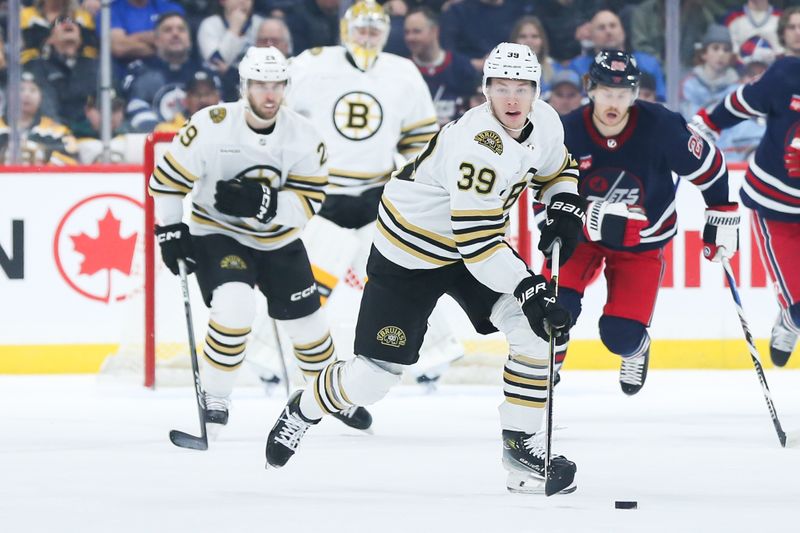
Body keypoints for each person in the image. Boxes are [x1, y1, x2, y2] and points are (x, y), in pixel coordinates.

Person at [266, 42, 585, 496]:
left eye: (521, 88)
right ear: (485, 90)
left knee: (534, 331)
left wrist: (565, 203)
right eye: (500, 87)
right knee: (372, 378)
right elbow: (478, 246)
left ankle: (521, 452)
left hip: (474, 246)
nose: (511, 99)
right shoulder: (479, 145)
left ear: (537, 90)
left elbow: (557, 169)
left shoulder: (546, 121)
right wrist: (529, 287)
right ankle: (306, 407)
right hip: (410, 252)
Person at [148, 46, 371, 432]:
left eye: (277, 85)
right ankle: (216, 397)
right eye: (260, 85)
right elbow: (168, 181)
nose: (269, 94)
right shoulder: (210, 125)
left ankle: (327, 394)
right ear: (244, 86)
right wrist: (169, 229)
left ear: (286, 86)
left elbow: (309, 201)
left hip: (279, 241)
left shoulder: (303, 136)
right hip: (219, 233)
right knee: (234, 307)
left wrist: (265, 203)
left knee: (309, 325)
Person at [288, 0, 463, 387]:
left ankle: (435, 355)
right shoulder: (310, 64)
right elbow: (277, 114)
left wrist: (402, 185)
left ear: (386, 34)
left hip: (377, 197)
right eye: (360, 29)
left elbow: (420, 141)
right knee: (303, 281)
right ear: (345, 30)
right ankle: (273, 360)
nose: (366, 37)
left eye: (374, 31)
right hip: (322, 195)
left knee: (405, 277)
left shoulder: (402, 72)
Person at [553, 50, 738, 394]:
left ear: (635, 93)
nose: (614, 101)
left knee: (620, 335)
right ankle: (545, 371)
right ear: (589, 88)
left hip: (642, 242)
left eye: (623, 94)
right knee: (554, 312)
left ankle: (636, 350)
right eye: (607, 91)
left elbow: (710, 168)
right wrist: (568, 222)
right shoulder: (566, 132)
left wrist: (721, 213)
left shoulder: (662, 126)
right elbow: (542, 190)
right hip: (582, 237)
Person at [692, 7, 800, 367]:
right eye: (794, 27)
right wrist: (708, 123)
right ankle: (789, 318)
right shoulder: (785, 73)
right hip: (776, 205)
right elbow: (744, 101)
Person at [122, 12, 201, 132]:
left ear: (189, 40)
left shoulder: (204, 73)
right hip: (155, 143)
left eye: (181, 29)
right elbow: (136, 109)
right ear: (156, 40)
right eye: (168, 30)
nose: (175, 34)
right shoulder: (140, 71)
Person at [568, 9, 666, 102]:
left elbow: (662, 100)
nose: (608, 31)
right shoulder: (577, 67)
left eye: (613, 26)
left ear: (623, 31)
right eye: (601, 28)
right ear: (591, 36)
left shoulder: (649, 64)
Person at [404, 6, 478, 125]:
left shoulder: (462, 67)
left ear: (434, 31)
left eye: (416, 31)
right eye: (407, 32)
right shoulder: (403, 70)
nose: (410, 37)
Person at [26, 13, 99, 128]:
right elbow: (46, 105)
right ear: (49, 39)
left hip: (91, 133)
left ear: (80, 39)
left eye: (73, 22)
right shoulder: (38, 67)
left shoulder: (95, 66)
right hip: (53, 133)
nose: (67, 23)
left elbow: (108, 101)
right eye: (59, 22)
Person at [0, 72, 79, 165]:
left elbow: (71, 161)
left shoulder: (57, 131)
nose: (26, 95)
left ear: (41, 97)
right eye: (20, 89)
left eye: (33, 90)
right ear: (9, 95)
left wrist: (43, 155)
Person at [679, 25, 738, 120]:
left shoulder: (736, 89)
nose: (721, 54)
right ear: (703, 54)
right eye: (715, 48)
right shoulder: (689, 85)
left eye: (726, 50)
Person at [155, 69, 222, 132]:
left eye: (207, 94)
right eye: (197, 95)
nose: (203, 100)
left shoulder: (228, 126)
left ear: (218, 97)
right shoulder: (166, 129)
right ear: (186, 100)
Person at [510, 16, 561, 97]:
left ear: (542, 41)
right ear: (514, 41)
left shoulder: (555, 68)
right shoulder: (503, 71)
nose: (529, 41)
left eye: (534, 36)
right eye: (523, 36)